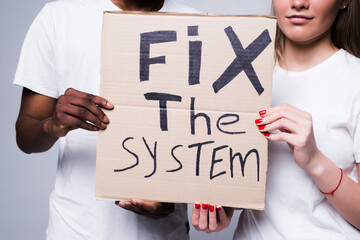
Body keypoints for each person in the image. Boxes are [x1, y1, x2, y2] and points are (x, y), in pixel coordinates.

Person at [14, 0, 199, 239]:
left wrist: (174, 195)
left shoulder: (198, 23)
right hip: (77, 230)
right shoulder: (59, 16)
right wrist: (52, 125)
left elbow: (204, 137)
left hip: (165, 232)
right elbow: (25, 137)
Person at [191, 0, 360, 239]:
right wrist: (224, 205)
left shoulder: (355, 82)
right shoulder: (237, 76)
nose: (299, 3)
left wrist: (314, 161)